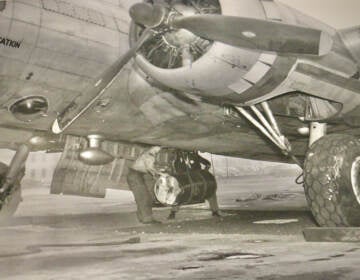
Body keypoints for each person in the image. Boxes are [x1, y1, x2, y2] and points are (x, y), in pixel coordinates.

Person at [127, 147, 161, 224]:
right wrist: (159, 174)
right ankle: (147, 219)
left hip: (135, 175)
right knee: (144, 198)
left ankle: (142, 217)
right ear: (152, 149)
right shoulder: (149, 156)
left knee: (143, 197)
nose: (158, 151)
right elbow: (150, 169)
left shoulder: (145, 154)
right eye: (157, 149)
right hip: (135, 176)